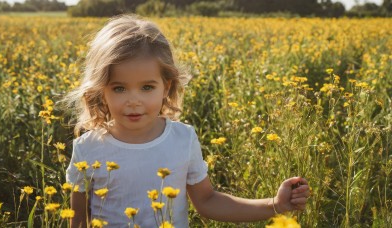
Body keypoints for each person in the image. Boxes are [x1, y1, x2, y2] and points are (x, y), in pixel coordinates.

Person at [63, 14, 310, 228]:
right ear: (100, 91)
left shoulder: (182, 139)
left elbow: (207, 201)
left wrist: (275, 204)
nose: (133, 101)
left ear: (166, 87)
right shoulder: (88, 148)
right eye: (119, 89)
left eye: (147, 87)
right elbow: (79, 221)